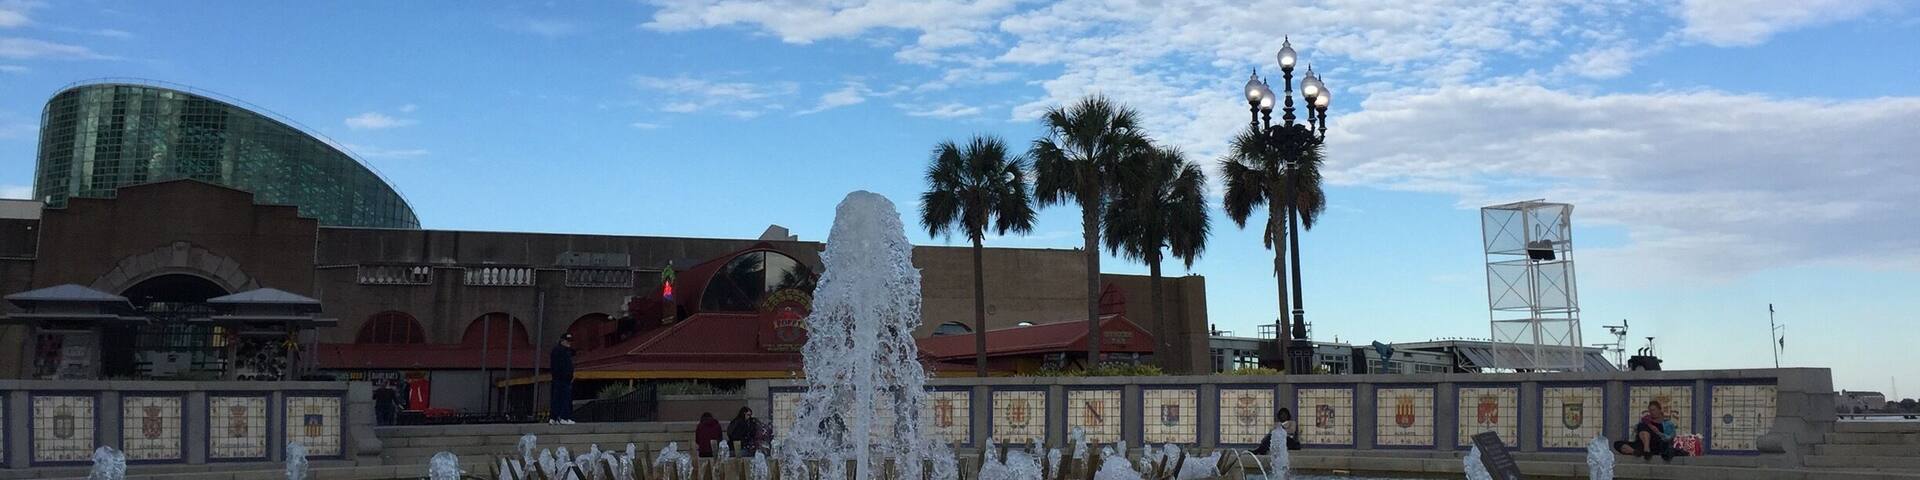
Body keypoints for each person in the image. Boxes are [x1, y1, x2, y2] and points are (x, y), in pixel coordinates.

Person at [1613, 400, 1685, 461]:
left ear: (1660, 410)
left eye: (1654, 410)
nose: (1652, 412)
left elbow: (1669, 438)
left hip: (1655, 444)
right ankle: (1637, 452)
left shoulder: (1667, 424)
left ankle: (1646, 449)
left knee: (1643, 426)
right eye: (1650, 411)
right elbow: (1636, 433)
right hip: (1641, 444)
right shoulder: (1646, 421)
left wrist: (1658, 432)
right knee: (1617, 444)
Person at [549, 334, 576, 425]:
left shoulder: (561, 351)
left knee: (557, 398)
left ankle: (554, 417)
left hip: (560, 379)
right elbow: (563, 366)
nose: (569, 343)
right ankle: (563, 417)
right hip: (563, 379)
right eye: (567, 341)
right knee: (564, 398)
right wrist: (567, 376)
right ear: (562, 341)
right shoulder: (562, 351)